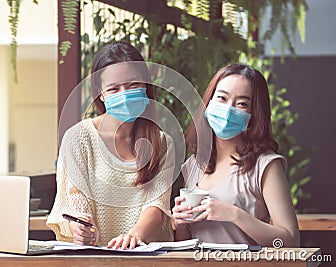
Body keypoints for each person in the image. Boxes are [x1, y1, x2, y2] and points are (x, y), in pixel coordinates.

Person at [47, 41, 175, 249]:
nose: (124, 93)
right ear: (101, 94)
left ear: (145, 85)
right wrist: (80, 228)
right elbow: (75, 198)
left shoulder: (162, 143)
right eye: (114, 88)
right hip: (94, 259)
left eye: (133, 84)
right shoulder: (78, 138)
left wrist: (133, 237)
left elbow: (157, 203)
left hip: (147, 259)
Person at [172, 63, 300, 247]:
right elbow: (186, 247)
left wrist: (234, 214)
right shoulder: (193, 164)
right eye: (222, 98)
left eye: (241, 104)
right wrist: (181, 224)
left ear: (254, 115)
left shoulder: (266, 165)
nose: (228, 109)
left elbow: (290, 241)